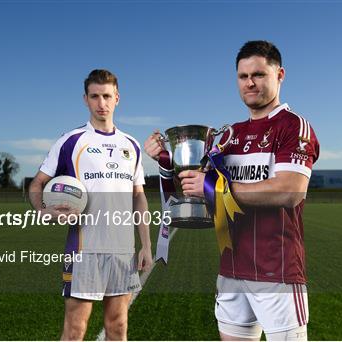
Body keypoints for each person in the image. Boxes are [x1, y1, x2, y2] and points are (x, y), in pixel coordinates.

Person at [144, 41, 319, 341]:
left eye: (259, 74)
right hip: (231, 272)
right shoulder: (228, 136)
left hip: (276, 274)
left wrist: (216, 188)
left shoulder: (293, 127)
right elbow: (196, 194)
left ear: (280, 75)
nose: (250, 82)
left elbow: (290, 190)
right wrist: (165, 160)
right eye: (243, 76)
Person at [29, 69, 153, 341]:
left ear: (117, 98)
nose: (101, 103)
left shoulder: (130, 144)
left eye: (107, 96)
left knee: (118, 327)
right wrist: (43, 211)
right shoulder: (71, 141)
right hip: (84, 249)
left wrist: (146, 245)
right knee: (75, 329)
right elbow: (37, 184)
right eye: (95, 96)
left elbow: (138, 197)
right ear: (85, 99)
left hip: (123, 250)